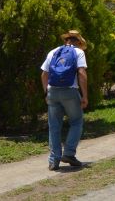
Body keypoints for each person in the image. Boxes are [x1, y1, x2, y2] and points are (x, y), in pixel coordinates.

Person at [40, 29, 88, 171]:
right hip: (69, 91)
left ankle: (54, 160)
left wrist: (46, 93)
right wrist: (85, 95)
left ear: (66, 40)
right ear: (78, 42)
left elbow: (44, 74)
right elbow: (81, 73)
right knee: (76, 121)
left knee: (54, 126)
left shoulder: (53, 52)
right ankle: (68, 153)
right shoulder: (79, 52)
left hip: (52, 91)